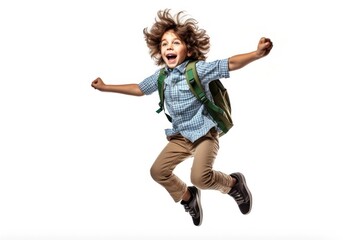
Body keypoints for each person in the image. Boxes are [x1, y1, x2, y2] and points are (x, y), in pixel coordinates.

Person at [91, 9, 273, 226]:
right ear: (159, 51)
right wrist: (105, 87)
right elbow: (139, 88)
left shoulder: (198, 70)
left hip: (204, 133)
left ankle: (233, 184)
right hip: (180, 137)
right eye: (164, 43)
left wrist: (256, 54)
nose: (169, 46)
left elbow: (229, 63)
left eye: (176, 42)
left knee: (200, 178)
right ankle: (189, 197)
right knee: (158, 172)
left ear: (188, 49)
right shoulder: (162, 77)